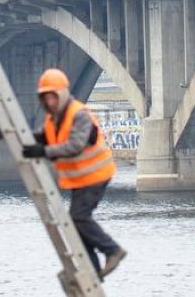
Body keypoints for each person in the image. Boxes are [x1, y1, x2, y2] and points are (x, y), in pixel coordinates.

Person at [22, 68, 126, 279]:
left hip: (96, 175)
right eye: (46, 98)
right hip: (81, 179)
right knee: (76, 223)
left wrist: (44, 151)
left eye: (53, 97)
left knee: (79, 217)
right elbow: (44, 137)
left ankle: (112, 250)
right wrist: (16, 136)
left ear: (61, 94)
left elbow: (75, 145)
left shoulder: (79, 115)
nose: (50, 102)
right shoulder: (54, 120)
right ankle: (93, 271)